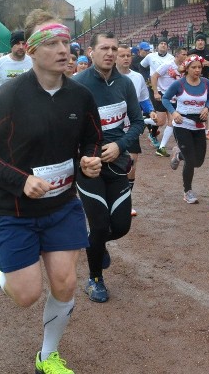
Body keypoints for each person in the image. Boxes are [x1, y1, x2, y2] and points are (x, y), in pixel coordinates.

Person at [0, 10, 102, 374]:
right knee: (26, 296)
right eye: (53, 43)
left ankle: (47, 357)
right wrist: (20, 180)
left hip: (61, 206)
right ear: (31, 50)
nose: (63, 50)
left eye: (65, 42)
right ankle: (0, 261)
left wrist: (89, 161)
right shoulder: (10, 96)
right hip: (13, 209)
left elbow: (91, 139)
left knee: (65, 281)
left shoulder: (80, 96)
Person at [72, 33, 143, 303]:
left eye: (114, 48)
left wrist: (120, 146)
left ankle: (96, 244)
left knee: (121, 226)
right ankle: (95, 279)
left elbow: (137, 122)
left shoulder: (125, 83)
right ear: (91, 52)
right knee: (100, 224)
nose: (110, 53)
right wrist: (82, 158)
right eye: (104, 48)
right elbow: (67, 129)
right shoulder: (77, 85)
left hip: (118, 162)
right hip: (89, 166)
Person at [162, 54, 209, 204]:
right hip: (182, 124)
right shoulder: (179, 84)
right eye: (194, 67)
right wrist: (174, 112)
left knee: (199, 161)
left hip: (199, 126)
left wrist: (207, 108)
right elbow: (165, 98)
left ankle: (178, 155)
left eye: (199, 67)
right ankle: (187, 191)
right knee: (191, 161)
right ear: (187, 68)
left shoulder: (206, 83)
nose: (197, 70)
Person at [116, 44, 154, 217]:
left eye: (128, 55)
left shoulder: (138, 77)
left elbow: (144, 99)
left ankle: (126, 199)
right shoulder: (108, 77)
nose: (125, 58)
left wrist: (151, 110)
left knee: (132, 161)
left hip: (130, 127)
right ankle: (112, 198)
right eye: (122, 55)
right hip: (110, 128)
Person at [151, 46, 187, 157]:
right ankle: (142, 121)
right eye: (183, 54)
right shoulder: (167, 65)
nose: (186, 56)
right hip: (163, 95)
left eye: (186, 54)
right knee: (160, 122)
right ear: (177, 55)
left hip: (174, 97)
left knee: (172, 121)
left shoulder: (184, 67)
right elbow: (154, 76)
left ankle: (161, 148)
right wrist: (155, 92)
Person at [142, 40, 176, 154]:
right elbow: (142, 66)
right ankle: (150, 132)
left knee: (170, 121)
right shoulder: (150, 56)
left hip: (170, 92)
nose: (163, 45)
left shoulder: (171, 58)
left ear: (167, 47)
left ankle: (160, 145)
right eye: (161, 43)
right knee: (161, 120)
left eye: (165, 44)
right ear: (157, 46)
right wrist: (146, 78)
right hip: (156, 89)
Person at [0, 30, 32, 99]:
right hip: (6, 106)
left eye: (23, 44)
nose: (21, 47)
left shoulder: (34, 62)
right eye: (17, 43)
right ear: (11, 45)